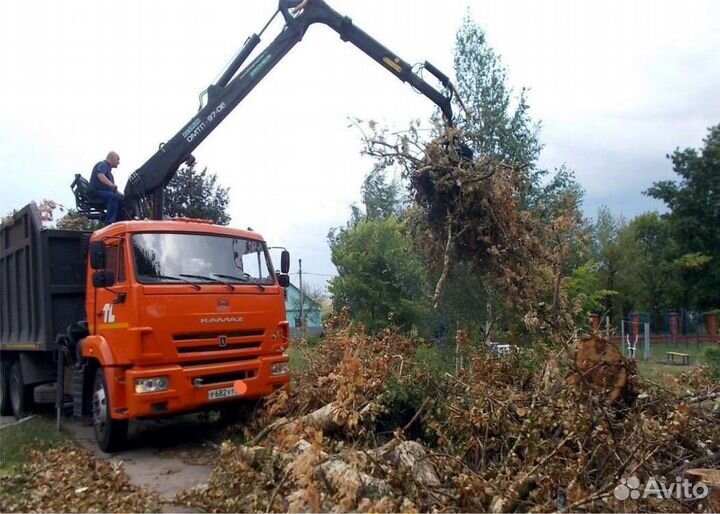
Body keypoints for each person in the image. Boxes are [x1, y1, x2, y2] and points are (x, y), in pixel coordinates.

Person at [90, 151, 123, 224]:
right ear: (112, 158)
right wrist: (111, 184)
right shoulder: (103, 164)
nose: (119, 162)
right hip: (96, 192)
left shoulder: (109, 172)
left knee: (121, 200)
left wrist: (123, 196)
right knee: (113, 197)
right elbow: (100, 175)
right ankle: (110, 222)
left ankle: (119, 221)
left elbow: (114, 189)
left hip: (103, 192)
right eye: (118, 159)